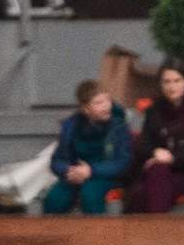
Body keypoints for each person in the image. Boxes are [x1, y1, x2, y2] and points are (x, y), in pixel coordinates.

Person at [125, 63, 184, 213]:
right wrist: (156, 153)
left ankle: (152, 232)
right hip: (160, 171)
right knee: (147, 181)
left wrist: (172, 157)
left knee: (147, 185)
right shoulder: (154, 111)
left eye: (176, 81)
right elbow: (143, 146)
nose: (171, 86)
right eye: (166, 82)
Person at [42, 80, 131, 215]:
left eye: (107, 100)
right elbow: (56, 160)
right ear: (85, 109)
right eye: (99, 103)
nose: (106, 106)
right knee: (54, 199)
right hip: (75, 175)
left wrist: (90, 170)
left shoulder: (119, 127)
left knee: (90, 195)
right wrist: (68, 170)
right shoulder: (71, 127)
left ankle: (96, 234)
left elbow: (122, 163)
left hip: (104, 176)